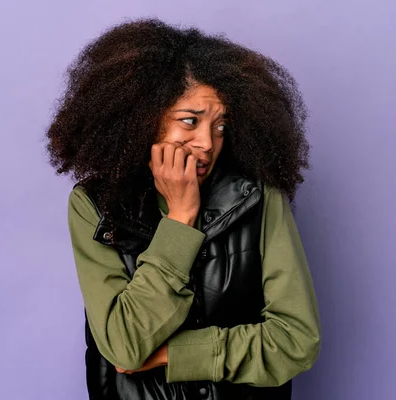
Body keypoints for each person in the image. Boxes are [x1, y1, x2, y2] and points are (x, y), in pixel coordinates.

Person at [46, 18, 320, 400]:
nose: (208, 143)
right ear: (143, 119)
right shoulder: (94, 205)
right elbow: (123, 346)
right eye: (189, 122)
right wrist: (180, 218)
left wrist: (176, 354)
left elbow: (295, 340)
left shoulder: (257, 197)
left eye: (220, 126)